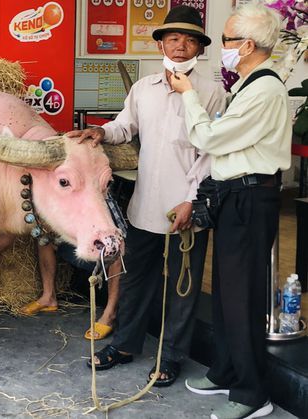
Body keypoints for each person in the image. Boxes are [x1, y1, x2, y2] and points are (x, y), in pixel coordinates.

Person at [73, 5, 226, 387]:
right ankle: (125, 345)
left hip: (185, 208)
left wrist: (193, 200)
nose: (181, 46)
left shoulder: (211, 93)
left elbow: (211, 155)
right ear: (161, 42)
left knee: (182, 287)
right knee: (136, 278)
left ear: (199, 49)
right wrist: (102, 133)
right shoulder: (144, 89)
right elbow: (126, 126)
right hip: (144, 205)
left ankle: (171, 357)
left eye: (190, 40)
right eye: (173, 38)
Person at [170, 4, 291, 418]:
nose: (220, 47)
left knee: (243, 298)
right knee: (224, 294)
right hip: (233, 196)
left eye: (225, 39)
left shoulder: (264, 90)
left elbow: (210, 138)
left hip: (251, 198)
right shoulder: (246, 84)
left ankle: (253, 393)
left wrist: (188, 97)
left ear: (248, 45)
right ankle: (224, 370)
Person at [21, 243, 122, 341]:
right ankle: (48, 297)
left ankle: (110, 314)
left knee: (118, 253)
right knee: (44, 238)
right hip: (87, 241)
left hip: (108, 249)